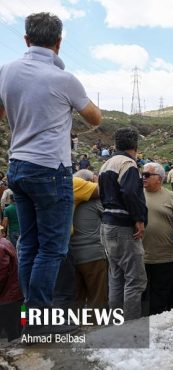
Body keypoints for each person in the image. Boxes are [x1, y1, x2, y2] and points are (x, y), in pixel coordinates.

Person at [0, 13, 101, 322]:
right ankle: (40, 319)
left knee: (28, 243)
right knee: (53, 248)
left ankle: (28, 316)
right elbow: (94, 117)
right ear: (59, 43)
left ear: (26, 40)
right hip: (49, 168)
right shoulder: (64, 78)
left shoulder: (6, 71)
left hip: (17, 165)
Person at [98, 128, 148, 320]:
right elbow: (130, 193)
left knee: (116, 277)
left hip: (107, 225)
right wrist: (139, 219)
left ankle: (115, 324)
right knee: (135, 280)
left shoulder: (106, 164)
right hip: (123, 227)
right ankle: (130, 329)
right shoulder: (128, 163)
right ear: (135, 146)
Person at [142, 162, 173, 315]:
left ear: (160, 178)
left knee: (162, 296)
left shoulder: (172, 197)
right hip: (140, 256)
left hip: (164, 257)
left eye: (148, 175)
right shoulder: (136, 195)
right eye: (143, 174)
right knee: (143, 295)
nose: (144, 177)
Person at [70, 170, 108, 309]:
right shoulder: (96, 202)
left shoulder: (68, 200)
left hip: (71, 255)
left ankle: (77, 328)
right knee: (97, 298)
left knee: (76, 298)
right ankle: (96, 328)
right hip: (93, 255)